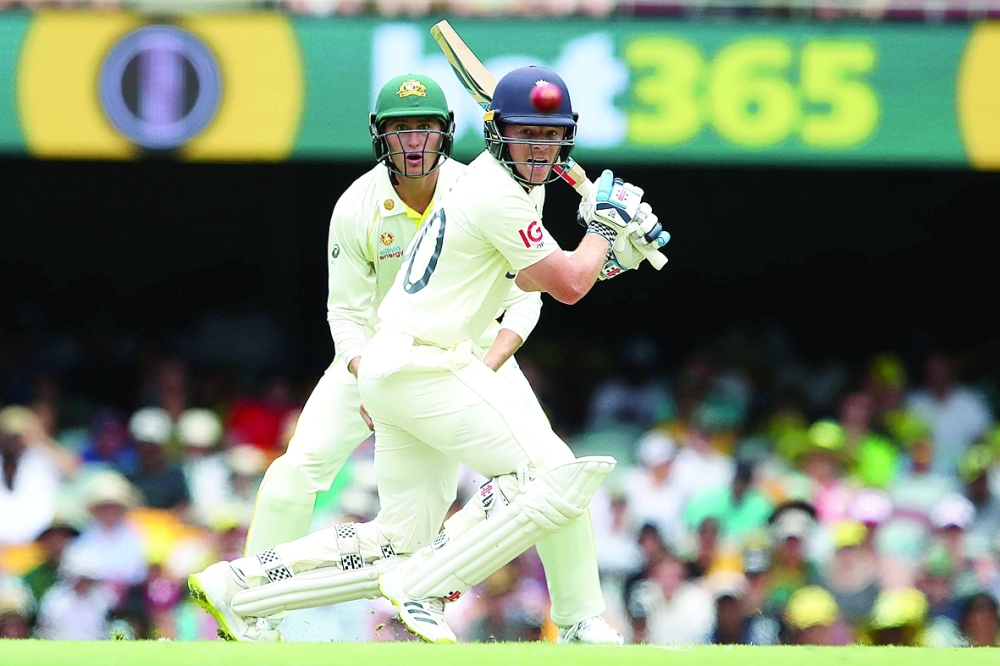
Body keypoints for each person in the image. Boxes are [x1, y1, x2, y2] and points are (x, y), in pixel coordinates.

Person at [189, 69, 661, 644]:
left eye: (549, 135)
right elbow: (566, 283)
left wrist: (616, 251)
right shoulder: (479, 195)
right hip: (413, 361)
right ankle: (428, 587)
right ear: (495, 133)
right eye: (525, 135)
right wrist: (605, 225)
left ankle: (241, 585)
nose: (539, 149)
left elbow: (534, 289)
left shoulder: (494, 183)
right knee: (550, 474)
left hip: (438, 361)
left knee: (399, 538)